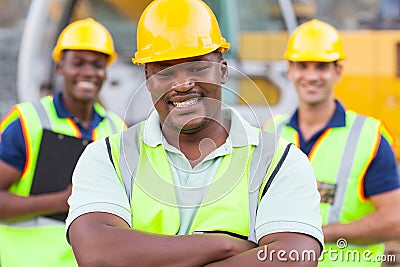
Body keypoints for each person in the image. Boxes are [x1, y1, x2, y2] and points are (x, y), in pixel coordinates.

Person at [66, 1, 323, 266]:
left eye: (197, 67)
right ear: (147, 77)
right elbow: (98, 254)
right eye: (165, 70)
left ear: (223, 70)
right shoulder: (108, 157)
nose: (183, 84)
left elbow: (294, 258)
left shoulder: (279, 161)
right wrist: (226, 245)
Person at [264, 19, 400, 266]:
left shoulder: (368, 136)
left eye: (322, 67)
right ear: (290, 70)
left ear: (338, 71)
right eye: (302, 66)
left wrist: (318, 235)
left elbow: (394, 220)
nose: (311, 76)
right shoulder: (272, 131)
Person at [0, 18, 126, 266]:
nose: (88, 72)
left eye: (97, 65)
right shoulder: (28, 122)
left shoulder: (117, 129)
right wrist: (60, 201)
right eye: (78, 63)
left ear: (106, 71)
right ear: (60, 67)